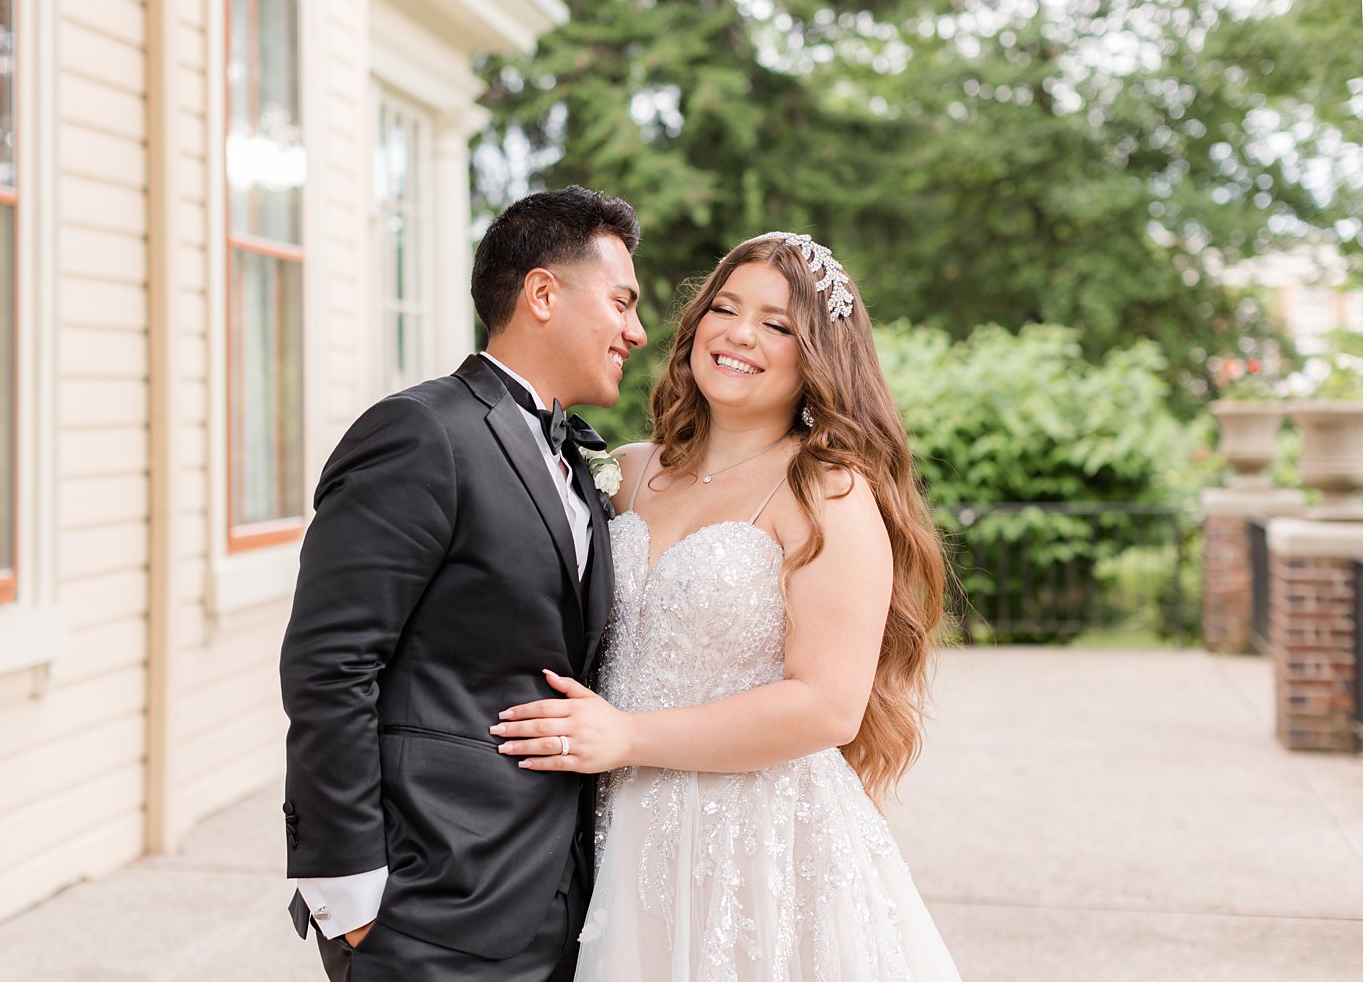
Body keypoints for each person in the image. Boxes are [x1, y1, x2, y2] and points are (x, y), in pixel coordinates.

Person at [492, 232, 961, 980]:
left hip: (759, 842)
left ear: (818, 355)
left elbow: (827, 706)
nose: (740, 334)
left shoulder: (828, 491)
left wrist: (627, 735)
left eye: (777, 324)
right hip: (621, 825)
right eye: (726, 307)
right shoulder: (630, 471)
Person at [279, 186, 646, 981]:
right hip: (427, 908)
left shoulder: (581, 472)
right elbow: (330, 661)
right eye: (622, 302)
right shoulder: (421, 432)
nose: (637, 331)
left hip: (556, 905)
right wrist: (351, 891)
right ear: (542, 292)